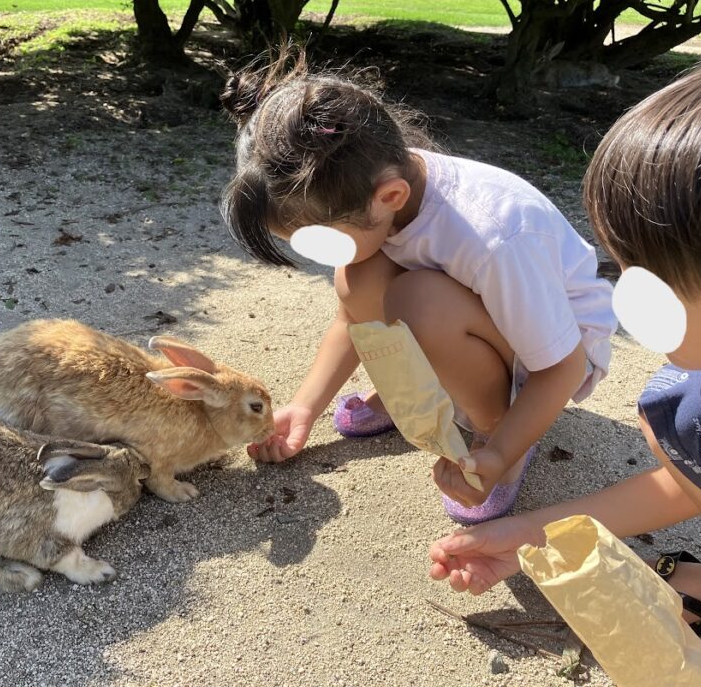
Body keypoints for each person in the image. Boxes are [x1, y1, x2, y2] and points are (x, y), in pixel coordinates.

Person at [428, 53, 701, 684]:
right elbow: (690, 480)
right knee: (687, 406)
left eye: (658, 278)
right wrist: (530, 534)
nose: (628, 295)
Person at [219, 50, 616, 523]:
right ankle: (415, 392)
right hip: (493, 318)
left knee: (420, 302)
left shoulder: (493, 235)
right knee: (359, 277)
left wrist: (500, 452)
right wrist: (304, 407)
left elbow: (563, 367)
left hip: (555, 354)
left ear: (390, 197)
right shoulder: (376, 185)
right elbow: (353, 315)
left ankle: (496, 433)